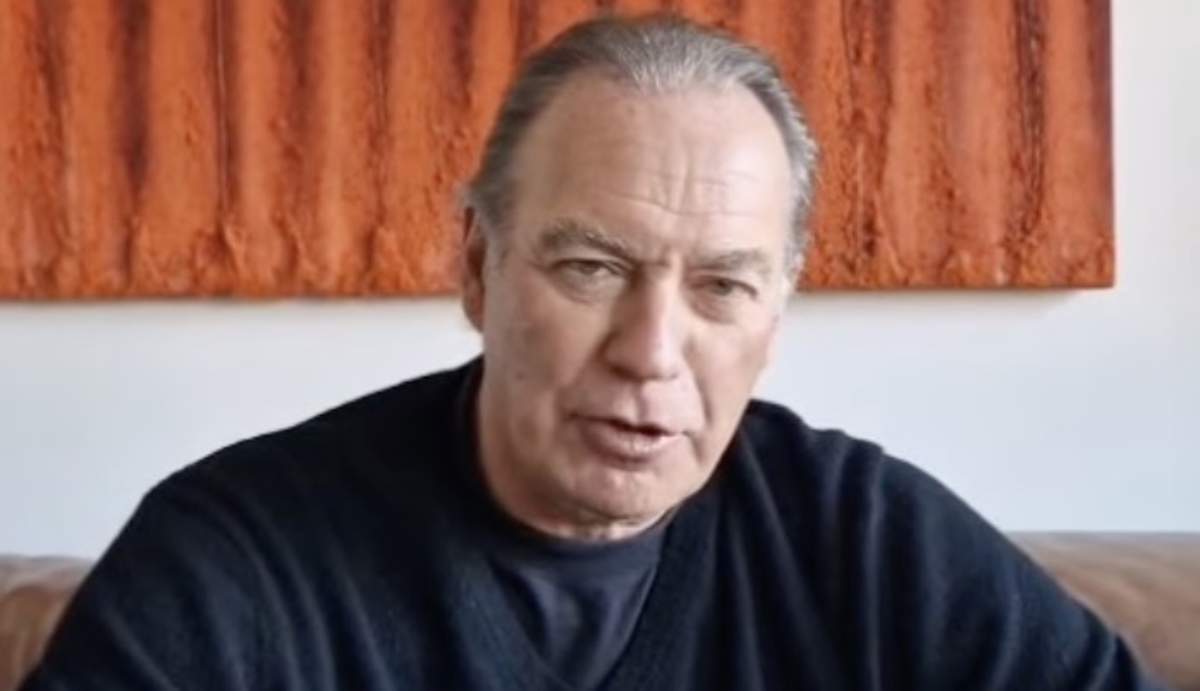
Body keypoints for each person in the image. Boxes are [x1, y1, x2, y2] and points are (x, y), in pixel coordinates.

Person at [21, 13, 1165, 691]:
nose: (652, 353)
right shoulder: (238, 560)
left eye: (721, 286)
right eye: (592, 268)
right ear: (479, 268)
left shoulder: (865, 540)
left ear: (776, 315)